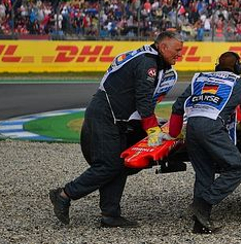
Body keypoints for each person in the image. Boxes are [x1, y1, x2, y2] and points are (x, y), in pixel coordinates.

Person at [49, 31, 184, 228]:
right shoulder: (148, 63)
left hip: (115, 117)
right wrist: (152, 130)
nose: (179, 55)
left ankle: (110, 215)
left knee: (120, 164)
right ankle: (64, 194)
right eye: (177, 50)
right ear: (163, 47)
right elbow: (144, 101)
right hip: (106, 115)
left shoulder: (149, 58)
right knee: (109, 165)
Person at [167, 51, 241, 234]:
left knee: (204, 173)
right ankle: (203, 203)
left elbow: (177, 107)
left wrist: (174, 134)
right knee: (237, 168)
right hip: (212, 127)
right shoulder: (240, 83)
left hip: (192, 127)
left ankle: (201, 223)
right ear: (239, 67)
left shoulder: (200, 78)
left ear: (217, 65)